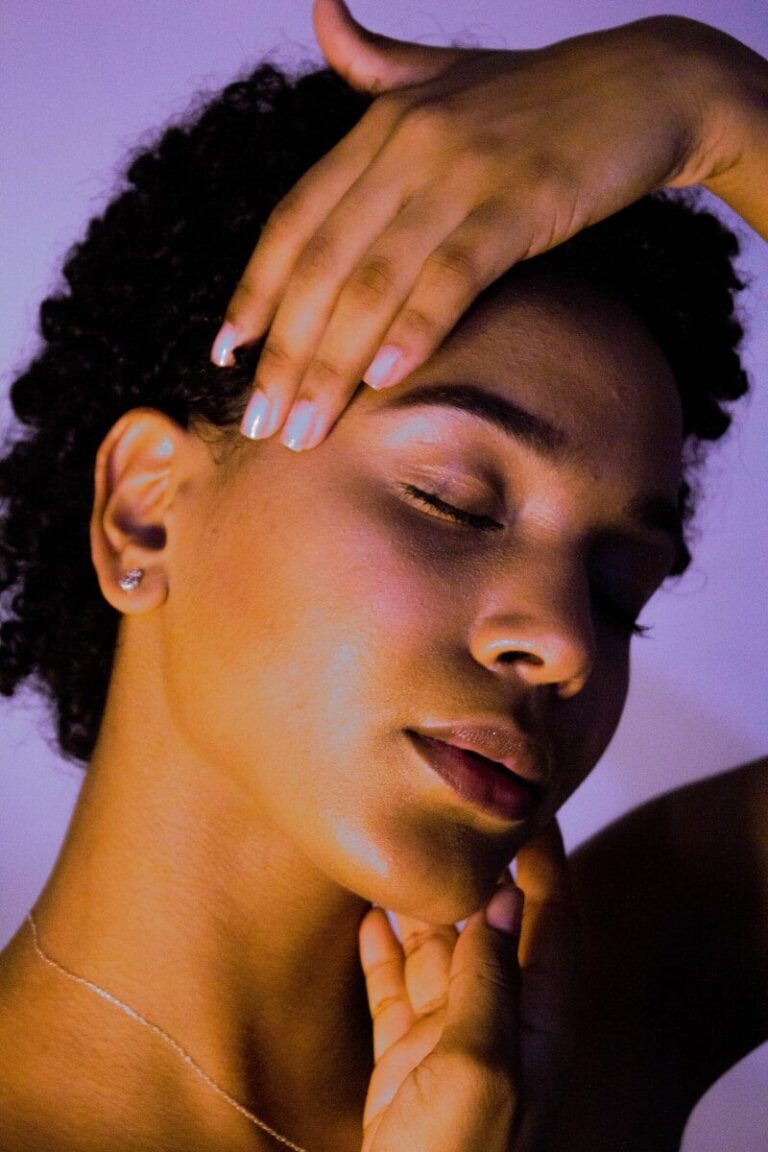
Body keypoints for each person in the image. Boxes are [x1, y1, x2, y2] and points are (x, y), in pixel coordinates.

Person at [0, 1, 765, 1149]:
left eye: (619, 589)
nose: (564, 642)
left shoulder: (605, 1015)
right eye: (453, 501)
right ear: (144, 516)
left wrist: (715, 106)